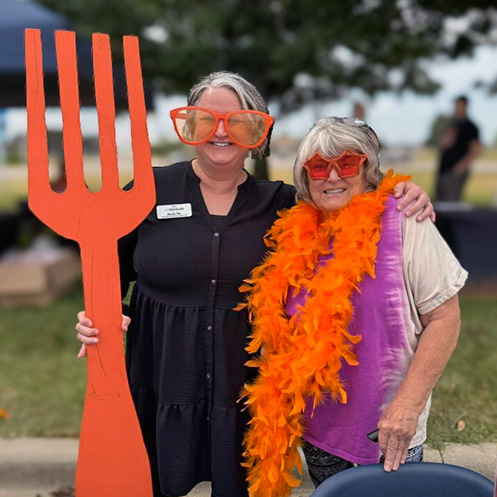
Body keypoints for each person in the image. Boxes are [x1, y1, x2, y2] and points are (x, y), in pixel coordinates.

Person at [75, 72, 434, 497]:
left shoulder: (283, 204)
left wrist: (401, 192)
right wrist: (99, 313)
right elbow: (107, 269)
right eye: (207, 119)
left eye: (238, 121)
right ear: (190, 126)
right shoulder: (149, 189)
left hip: (245, 394)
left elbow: (347, 202)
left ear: (257, 131)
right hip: (160, 374)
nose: (222, 131)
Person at [240, 117, 466, 497]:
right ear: (304, 176)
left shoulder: (406, 220)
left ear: (367, 170)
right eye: (318, 166)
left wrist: (407, 407)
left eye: (347, 163)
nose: (332, 176)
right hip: (318, 432)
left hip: (389, 432)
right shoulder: (296, 238)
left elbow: (445, 318)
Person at [436, 95, 482, 202]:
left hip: (455, 171)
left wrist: (461, 166)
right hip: (444, 169)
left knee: (451, 203)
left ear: (464, 106)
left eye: (457, 105)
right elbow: (443, 145)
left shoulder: (471, 127)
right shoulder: (453, 125)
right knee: (440, 202)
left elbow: (476, 149)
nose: (455, 108)